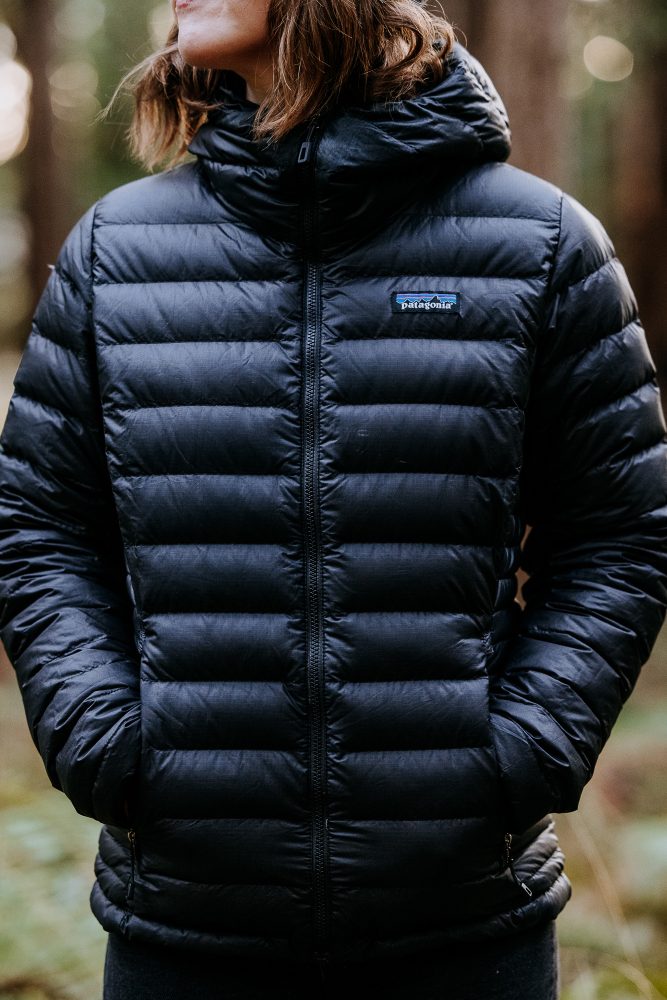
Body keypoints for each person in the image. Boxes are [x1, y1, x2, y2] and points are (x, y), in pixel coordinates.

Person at [0, 1, 666, 997]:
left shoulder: (538, 244)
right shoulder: (114, 254)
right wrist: (104, 741)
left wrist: (518, 755)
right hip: (184, 921)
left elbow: (619, 538)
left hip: (461, 924)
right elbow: (40, 531)